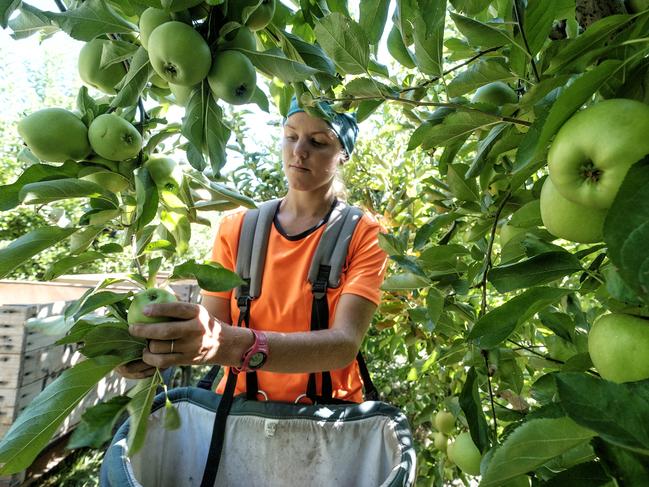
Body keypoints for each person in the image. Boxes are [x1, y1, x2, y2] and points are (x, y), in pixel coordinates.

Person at [119, 97, 388, 403]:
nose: (299, 151)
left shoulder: (363, 233)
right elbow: (210, 332)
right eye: (291, 136)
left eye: (318, 141)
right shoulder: (237, 230)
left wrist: (238, 346)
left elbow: (343, 345)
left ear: (343, 155)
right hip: (239, 414)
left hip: (328, 419)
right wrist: (153, 346)